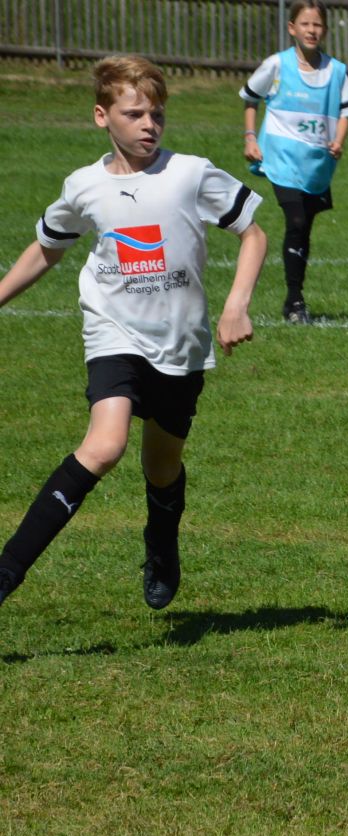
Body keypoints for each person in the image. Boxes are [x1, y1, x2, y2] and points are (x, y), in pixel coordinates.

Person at [0, 56, 266, 612]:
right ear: (102, 117)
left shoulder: (189, 173)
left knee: (161, 467)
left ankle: (161, 544)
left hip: (180, 342)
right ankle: (6, 573)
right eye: (134, 114)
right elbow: (48, 248)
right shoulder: (84, 186)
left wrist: (236, 305)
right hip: (113, 331)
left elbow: (253, 234)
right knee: (104, 445)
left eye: (157, 114)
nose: (149, 124)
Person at [242, 1, 348, 324]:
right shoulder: (277, 65)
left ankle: (293, 299)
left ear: (325, 30)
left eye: (317, 25)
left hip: (316, 165)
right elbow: (250, 97)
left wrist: (338, 141)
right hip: (281, 161)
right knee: (295, 220)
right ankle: (295, 301)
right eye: (305, 24)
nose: (311, 30)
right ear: (292, 28)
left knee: (304, 226)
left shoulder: (336, 71)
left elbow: (345, 112)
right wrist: (250, 137)